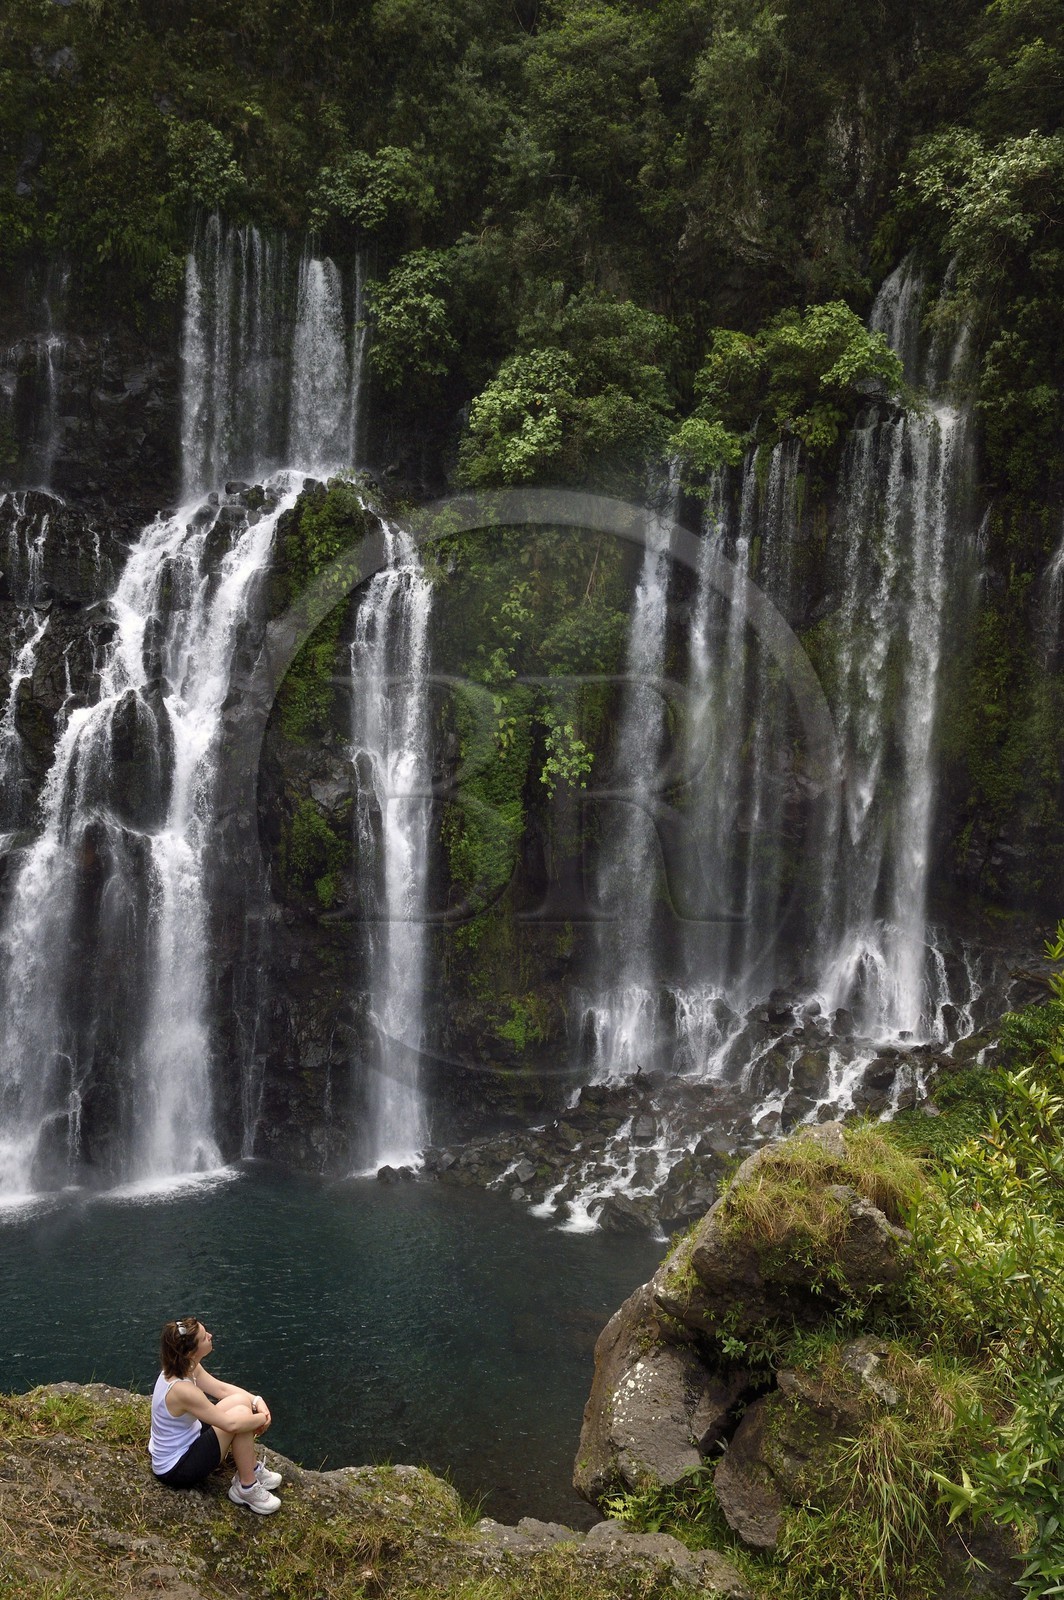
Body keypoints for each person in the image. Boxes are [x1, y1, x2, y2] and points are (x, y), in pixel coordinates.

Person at [149, 1316, 283, 1514]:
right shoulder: (182, 1390)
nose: (210, 1336)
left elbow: (221, 1389)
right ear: (191, 1352)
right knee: (241, 1417)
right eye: (204, 1337)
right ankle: (246, 1487)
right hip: (177, 1467)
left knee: (242, 1402)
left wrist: (256, 1401)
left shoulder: (185, 1366)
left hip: (186, 1439)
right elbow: (232, 1425)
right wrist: (262, 1419)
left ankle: (251, 1468)